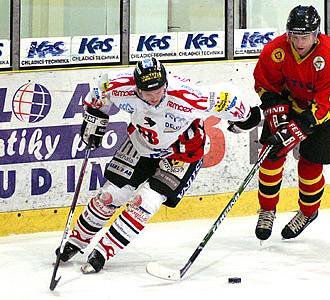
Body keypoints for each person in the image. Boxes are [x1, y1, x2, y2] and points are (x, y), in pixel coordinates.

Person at [56, 57, 260, 274]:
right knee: (111, 194)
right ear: (136, 88)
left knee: (146, 201)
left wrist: (247, 117)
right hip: (141, 142)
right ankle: (76, 241)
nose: (154, 96)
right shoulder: (119, 86)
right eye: (147, 92)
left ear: (166, 83)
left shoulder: (187, 96)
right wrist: (94, 117)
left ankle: (103, 252)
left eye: (159, 89)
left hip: (182, 152)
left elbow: (228, 96)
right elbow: (98, 94)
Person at [229, 5, 330, 241]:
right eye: (294, 35)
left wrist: (297, 129)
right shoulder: (276, 50)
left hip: (326, 111)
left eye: (304, 36)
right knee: (271, 155)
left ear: (316, 34)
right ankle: (267, 209)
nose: (299, 42)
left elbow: (326, 102)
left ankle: (308, 211)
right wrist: (276, 110)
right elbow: (265, 83)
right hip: (291, 103)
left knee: (309, 166)